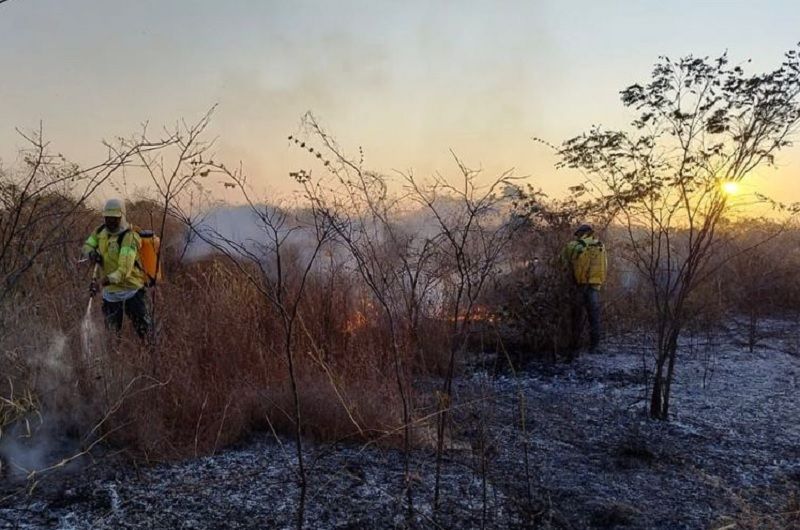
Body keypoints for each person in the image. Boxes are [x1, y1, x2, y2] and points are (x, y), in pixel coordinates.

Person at [83, 198, 151, 340]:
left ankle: (154, 358)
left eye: (114, 218)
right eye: (107, 217)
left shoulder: (130, 238)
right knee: (112, 337)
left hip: (132, 292)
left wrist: (100, 283)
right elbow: (87, 245)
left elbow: (123, 271)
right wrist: (91, 253)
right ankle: (116, 359)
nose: (110, 221)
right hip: (111, 295)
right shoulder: (100, 232)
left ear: (122, 217)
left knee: (146, 335)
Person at [562, 224, 607, 356]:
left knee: (576, 317)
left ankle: (574, 348)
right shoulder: (600, 246)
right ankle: (594, 346)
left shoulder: (573, 246)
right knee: (594, 317)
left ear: (579, 234)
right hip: (594, 286)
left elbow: (562, 263)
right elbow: (604, 266)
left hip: (578, 285)